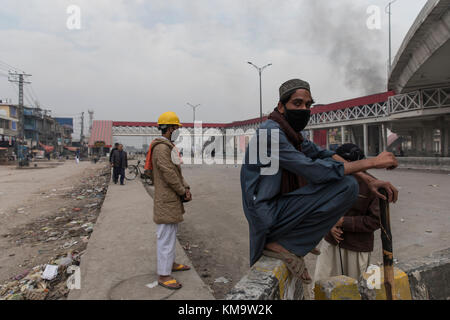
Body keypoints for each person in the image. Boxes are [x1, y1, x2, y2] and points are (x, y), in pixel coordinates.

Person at [240, 79, 399, 283]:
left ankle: (293, 241)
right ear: (281, 106)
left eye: (308, 105)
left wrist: (368, 180)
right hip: (265, 213)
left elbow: (322, 154)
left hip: (277, 207)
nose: (304, 109)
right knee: (345, 186)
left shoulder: (292, 134)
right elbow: (314, 170)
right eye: (297, 104)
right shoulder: (269, 133)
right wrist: (372, 162)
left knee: (349, 185)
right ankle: (283, 243)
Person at [314, 143, 381, 283]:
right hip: (331, 244)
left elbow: (376, 221)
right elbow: (320, 207)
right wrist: (330, 225)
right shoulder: (331, 179)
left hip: (356, 248)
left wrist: (343, 222)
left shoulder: (374, 186)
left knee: (354, 290)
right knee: (321, 284)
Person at [146, 111, 192, 290]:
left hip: (171, 199)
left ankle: (170, 264)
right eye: (176, 128)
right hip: (166, 200)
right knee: (165, 236)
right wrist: (182, 191)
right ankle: (164, 275)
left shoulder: (167, 146)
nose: (178, 131)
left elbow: (177, 173)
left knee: (171, 234)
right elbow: (169, 174)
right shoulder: (161, 148)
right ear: (169, 128)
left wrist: (185, 188)